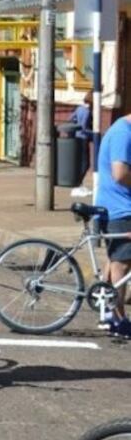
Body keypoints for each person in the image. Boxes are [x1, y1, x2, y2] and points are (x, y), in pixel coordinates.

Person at [95, 113, 131, 337]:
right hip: (121, 208)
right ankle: (119, 319)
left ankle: (107, 312)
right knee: (122, 263)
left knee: (114, 258)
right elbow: (120, 174)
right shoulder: (122, 133)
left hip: (115, 206)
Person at [71, 91, 93, 198]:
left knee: (79, 162)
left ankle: (79, 184)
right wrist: (94, 134)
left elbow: (71, 119)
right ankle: (78, 184)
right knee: (86, 163)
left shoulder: (79, 108)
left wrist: (75, 126)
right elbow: (84, 127)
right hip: (84, 138)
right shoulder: (87, 111)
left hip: (77, 137)